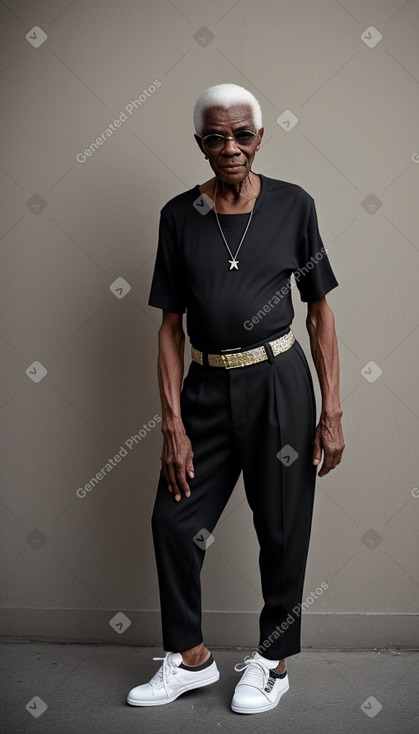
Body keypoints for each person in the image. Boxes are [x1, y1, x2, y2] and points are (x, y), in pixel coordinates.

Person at [127, 83, 344, 714]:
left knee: (280, 529)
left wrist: (331, 409)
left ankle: (272, 663)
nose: (231, 147)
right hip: (205, 388)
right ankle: (190, 658)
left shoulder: (293, 206)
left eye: (242, 134)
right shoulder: (178, 216)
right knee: (174, 520)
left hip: (280, 386)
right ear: (200, 142)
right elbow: (169, 326)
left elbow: (321, 314)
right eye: (216, 137)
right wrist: (172, 421)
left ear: (260, 136)